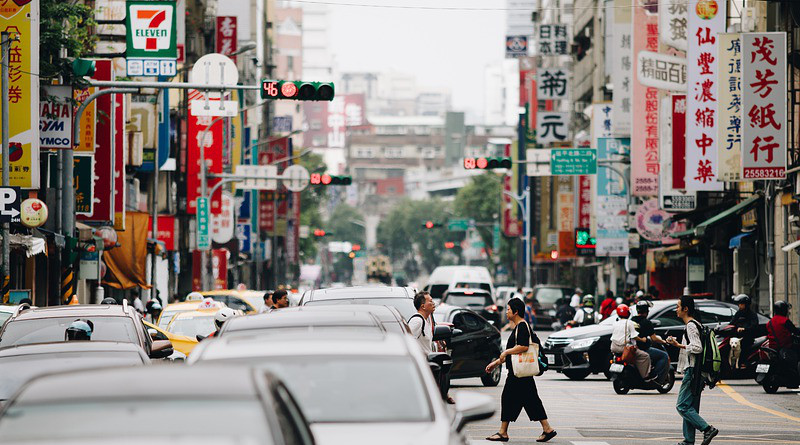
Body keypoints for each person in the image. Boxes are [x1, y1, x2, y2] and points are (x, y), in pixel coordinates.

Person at [485, 298, 556, 443]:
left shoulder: (522, 326)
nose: (506, 312)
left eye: (509, 309)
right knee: (531, 400)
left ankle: (503, 432)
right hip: (520, 372)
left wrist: (505, 353)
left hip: (519, 373)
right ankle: (547, 429)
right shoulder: (520, 327)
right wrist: (496, 363)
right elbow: (516, 353)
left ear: (516, 311)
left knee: (509, 398)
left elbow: (523, 347)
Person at [667, 295, 719, 445]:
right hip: (698, 372)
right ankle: (688, 441)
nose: (676, 309)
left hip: (693, 371)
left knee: (682, 406)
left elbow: (697, 348)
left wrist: (679, 346)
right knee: (691, 408)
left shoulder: (691, 325)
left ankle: (707, 429)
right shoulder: (696, 324)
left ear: (685, 309)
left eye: (678, 306)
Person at [631, 300, 670, 382]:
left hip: (632, 348)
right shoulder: (646, 322)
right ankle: (656, 378)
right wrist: (664, 341)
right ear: (647, 311)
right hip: (643, 349)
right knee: (664, 356)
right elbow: (654, 338)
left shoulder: (632, 320)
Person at [610, 304, 651, 379]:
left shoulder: (615, 323)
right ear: (628, 313)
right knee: (645, 356)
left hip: (614, 348)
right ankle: (645, 376)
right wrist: (643, 340)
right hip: (625, 349)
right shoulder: (630, 323)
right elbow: (634, 336)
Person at [767, 301, 800, 370]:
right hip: (785, 347)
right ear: (783, 310)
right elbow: (795, 331)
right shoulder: (784, 321)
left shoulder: (769, 322)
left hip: (773, 348)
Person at [729, 294, 758, 366]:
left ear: (746, 305)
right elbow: (732, 323)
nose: (739, 306)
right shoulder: (738, 313)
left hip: (747, 337)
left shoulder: (752, 315)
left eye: (741, 304)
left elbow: (754, 326)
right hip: (737, 337)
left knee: (744, 346)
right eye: (739, 304)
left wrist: (744, 329)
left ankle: (743, 363)